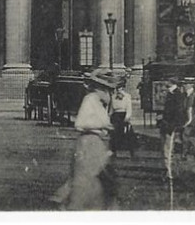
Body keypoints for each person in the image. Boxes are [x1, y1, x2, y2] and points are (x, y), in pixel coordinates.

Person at [51, 68, 119, 210]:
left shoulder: (99, 102)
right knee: (88, 179)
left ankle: (69, 202)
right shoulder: (90, 99)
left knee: (95, 178)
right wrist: (103, 125)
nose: (109, 93)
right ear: (100, 88)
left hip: (97, 143)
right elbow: (80, 123)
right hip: (88, 144)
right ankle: (73, 205)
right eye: (107, 89)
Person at [159, 78, 187, 179]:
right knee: (165, 148)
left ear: (172, 83)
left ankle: (168, 172)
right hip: (166, 124)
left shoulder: (177, 95)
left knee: (168, 149)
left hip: (170, 125)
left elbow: (178, 112)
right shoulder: (171, 94)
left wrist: (173, 125)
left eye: (168, 83)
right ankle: (166, 170)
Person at [110, 80, 135, 157]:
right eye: (117, 89)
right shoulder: (113, 97)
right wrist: (109, 116)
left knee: (127, 133)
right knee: (114, 133)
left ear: (123, 88)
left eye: (120, 88)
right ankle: (114, 151)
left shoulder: (127, 96)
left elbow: (129, 108)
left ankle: (130, 152)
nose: (118, 90)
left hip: (123, 115)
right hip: (115, 116)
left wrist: (127, 117)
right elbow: (111, 108)